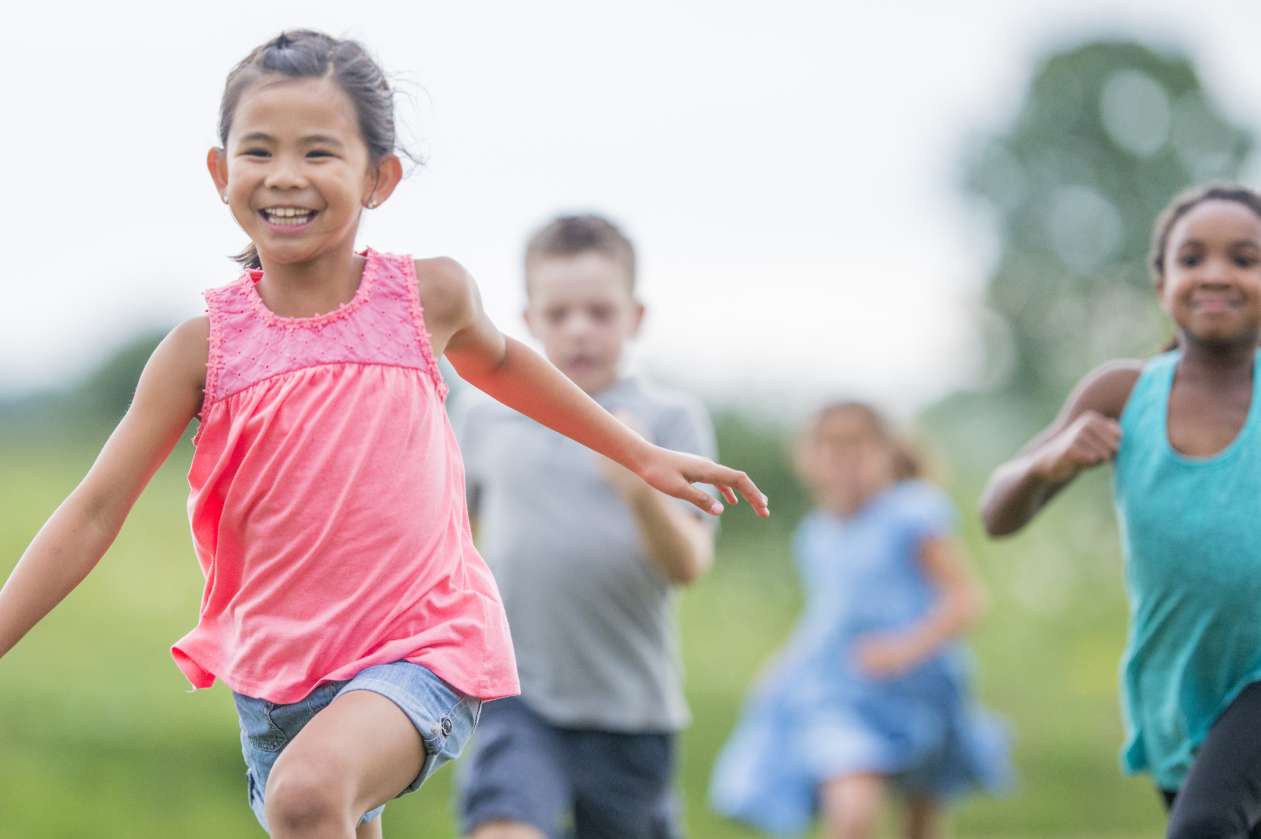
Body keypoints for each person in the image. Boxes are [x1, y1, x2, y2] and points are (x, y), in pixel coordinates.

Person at [0, 30, 767, 839]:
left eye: (319, 152)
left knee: (306, 797)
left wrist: (640, 453)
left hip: (423, 640)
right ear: (221, 173)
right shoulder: (200, 349)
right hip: (278, 677)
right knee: (322, 806)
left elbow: (507, 366)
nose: (286, 175)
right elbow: (93, 509)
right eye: (258, 150)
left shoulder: (424, 297)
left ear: (379, 178)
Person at [981, 183, 1261, 838]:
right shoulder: (1121, 392)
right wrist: (1042, 467)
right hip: (1176, 689)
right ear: (1160, 283)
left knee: (1203, 826)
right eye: (1191, 258)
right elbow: (997, 512)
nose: (1215, 273)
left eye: (1243, 258)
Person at [454, 214, 717, 839]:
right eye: (560, 312)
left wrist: (641, 492)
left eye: (600, 312)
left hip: (630, 709)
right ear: (528, 319)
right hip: (516, 694)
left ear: (636, 316)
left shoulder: (670, 420)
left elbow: (690, 566)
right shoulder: (485, 415)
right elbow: (451, 536)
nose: (579, 330)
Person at [711, 402, 1008, 839]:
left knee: (921, 818)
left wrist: (905, 648)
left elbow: (965, 598)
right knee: (851, 808)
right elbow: (828, 615)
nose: (842, 458)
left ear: (888, 451)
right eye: (827, 446)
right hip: (844, 691)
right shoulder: (817, 533)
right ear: (806, 459)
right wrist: (783, 667)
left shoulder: (913, 513)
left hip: (918, 689)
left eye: (856, 445)